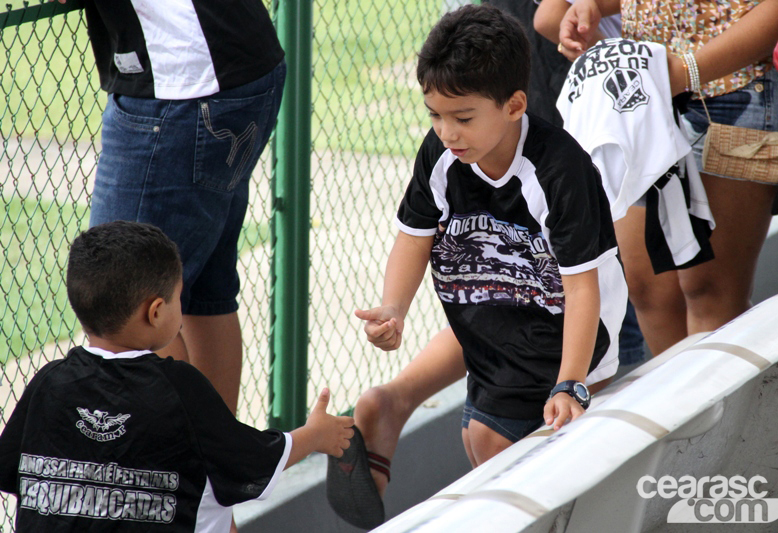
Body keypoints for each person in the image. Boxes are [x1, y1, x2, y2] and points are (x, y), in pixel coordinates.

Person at [327, 4, 628, 528]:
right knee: (490, 448)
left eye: (462, 117)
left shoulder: (560, 171)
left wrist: (571, 382)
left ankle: (396, 404)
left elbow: (583, 292)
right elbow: (413, 237)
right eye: (435, 116)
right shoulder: (442, 156)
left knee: (553, 460)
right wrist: (394, 307)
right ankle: (396, 406)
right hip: (489, 318)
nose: (446, 132)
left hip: (568, 334)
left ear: (515, 105)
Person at [0, 221, 354, 532]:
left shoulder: (48, 383)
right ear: (156, 312)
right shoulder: (181, 388)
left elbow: (8, 468)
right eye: (178, 299)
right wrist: (315, 435)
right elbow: (250, 464)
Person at [55, 0, 287, 415]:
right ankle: (217, 467)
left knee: (118, 306)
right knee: (199, 293)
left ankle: (179, 469)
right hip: (237, 66)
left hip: (183, 82)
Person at [556, 0, 778, 355]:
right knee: (647, 287)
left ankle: (729, 408)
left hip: (737, 85)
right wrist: (593, 5)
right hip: (643, 96)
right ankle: (686, 409)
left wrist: (686, 72)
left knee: (709, 290)